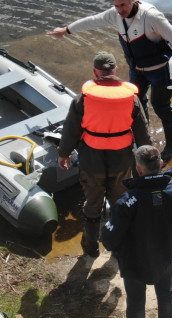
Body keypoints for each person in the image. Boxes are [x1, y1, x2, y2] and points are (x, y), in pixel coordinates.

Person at [48, 0, 172, 163]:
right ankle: (144, 143)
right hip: (136, 69)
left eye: (123, 5)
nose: (120, 10)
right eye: (116, 6)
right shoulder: (115, 15)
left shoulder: (151, 16)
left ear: (133, 1)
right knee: (136, 105)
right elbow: (93, 21)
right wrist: (66, 30)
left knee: (161, 105)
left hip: (157, 69)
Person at [100, 145, 172, 318]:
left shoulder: (127, 201)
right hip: (164, 256)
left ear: (139, 169)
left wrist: (104, 230)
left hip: (134, 261)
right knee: (166, 293)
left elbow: (110, 238)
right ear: (160, 165)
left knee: (136, 302)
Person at [57, 51, 151, 258]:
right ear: (115, 70)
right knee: (119, 202)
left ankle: (90, 248)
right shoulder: (131, 99)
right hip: (121, 161)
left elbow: (71, 130)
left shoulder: (83, 98)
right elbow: (143, 134)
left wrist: (63, 154)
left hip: (92, 161)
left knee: (92, 205)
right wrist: (149, 164)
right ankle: (117, 246)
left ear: (95, 72)